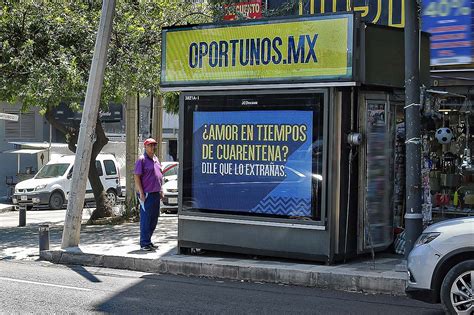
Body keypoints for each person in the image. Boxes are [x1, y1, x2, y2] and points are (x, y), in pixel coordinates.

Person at [134, 138, 164, 251]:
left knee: (154, 219)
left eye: (153, 145)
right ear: (145, 147)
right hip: (146, 194)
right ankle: (144, 243)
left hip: (156, 193)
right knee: (146, 219)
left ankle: (149, 240)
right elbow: (137, 177)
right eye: (150, 145)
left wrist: (161, 190)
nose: (152, 147)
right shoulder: (141, 160)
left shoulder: (156, 159)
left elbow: (160, 175)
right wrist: (141, 192)